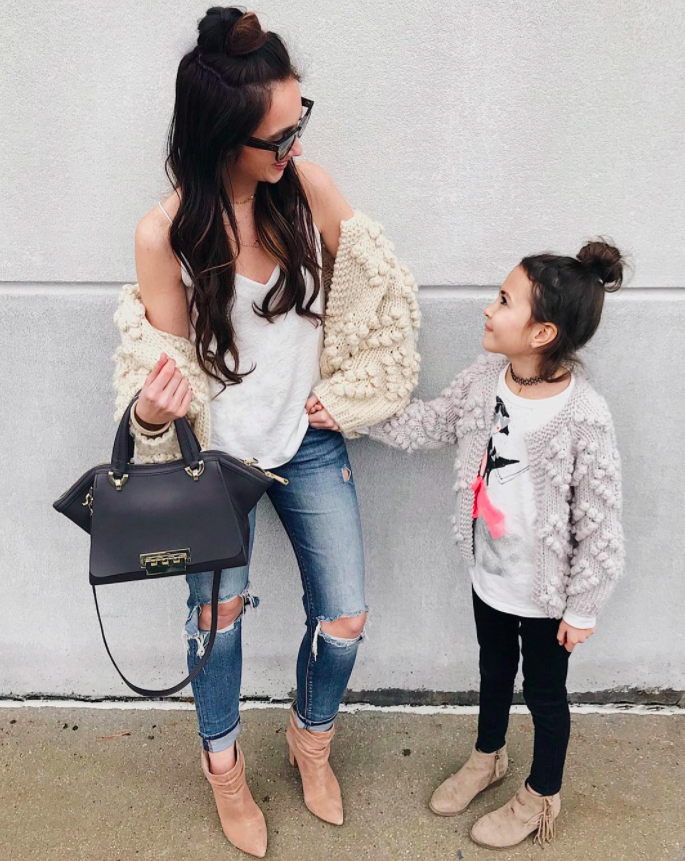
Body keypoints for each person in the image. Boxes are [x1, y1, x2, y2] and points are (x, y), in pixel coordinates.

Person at [112, 7, 420, 856]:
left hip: (307, 442)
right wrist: (150, 414)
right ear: (220, 135)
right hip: (217, 462)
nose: (292, 147)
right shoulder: (166, 233)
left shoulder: (309, 189)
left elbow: (384, 302)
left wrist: (352, 395)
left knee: (346, 615)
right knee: (217, 620)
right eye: (275, 137)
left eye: (298, 122)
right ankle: (224, 770)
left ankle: (309, 738)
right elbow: (160, 361)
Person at [338, 239, 626, 849]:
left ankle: (540, 794)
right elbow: (430, 423)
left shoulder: (584, 416)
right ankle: (487, 756)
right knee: (494, 671)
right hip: (489, 575)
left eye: (504, 301)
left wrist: (582, 607)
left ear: (542, 332)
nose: (488, 310)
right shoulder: (482, 383)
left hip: (547, 597)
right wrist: (352, 411)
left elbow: (600, 524)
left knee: (546, 695)